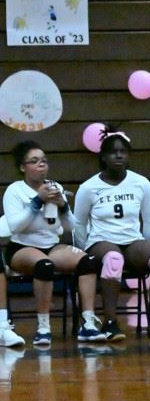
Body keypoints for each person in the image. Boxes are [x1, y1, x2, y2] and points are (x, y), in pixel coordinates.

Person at [75, 130, 150, 342]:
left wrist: (144, 248)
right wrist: (85, 252)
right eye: (113, 152)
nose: (119, 156)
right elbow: (79, 224)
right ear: (103, 157)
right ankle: (110, 322)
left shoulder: (140, 183)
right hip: (100, 242)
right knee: (114, 259)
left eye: (123, 152)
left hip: (132, 241)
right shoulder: (88, 188)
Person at [3, 141, 104, 346]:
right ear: (22, 167)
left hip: (51, 245)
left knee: (88, 262)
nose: (41, 165)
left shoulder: (54, 186)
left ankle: (88, 322)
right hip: (22, 246)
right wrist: (37, 202)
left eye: (44, 161)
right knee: (44, 266)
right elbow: (15, 226)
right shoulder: (15, 190)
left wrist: (64, 207)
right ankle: (43, 326)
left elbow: (71, 227)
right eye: (34, 161)